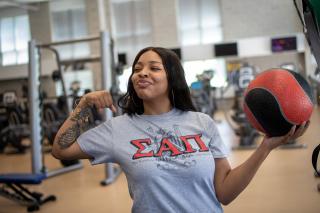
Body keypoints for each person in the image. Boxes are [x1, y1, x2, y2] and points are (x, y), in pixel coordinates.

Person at [52, 47, 309, 213]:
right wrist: (84, 104)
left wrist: (265, 147)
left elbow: (225, 193)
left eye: (154, 68)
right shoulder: (118, 128)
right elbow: (60, 150)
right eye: (137, 69)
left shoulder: (201, 123)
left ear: (172, 78)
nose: (142, 73)